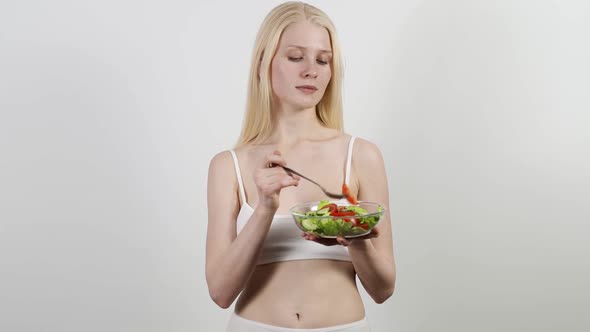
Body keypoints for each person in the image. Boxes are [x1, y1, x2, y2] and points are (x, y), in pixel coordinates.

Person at [206, 2, 396, 331]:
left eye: (323, 60)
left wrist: (355, 236)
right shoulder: (229, 166)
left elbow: (383, 289)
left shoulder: (362, 155)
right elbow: (220, 292)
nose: (312, 70)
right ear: (264, 63)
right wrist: (265, 207)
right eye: (296, 57)